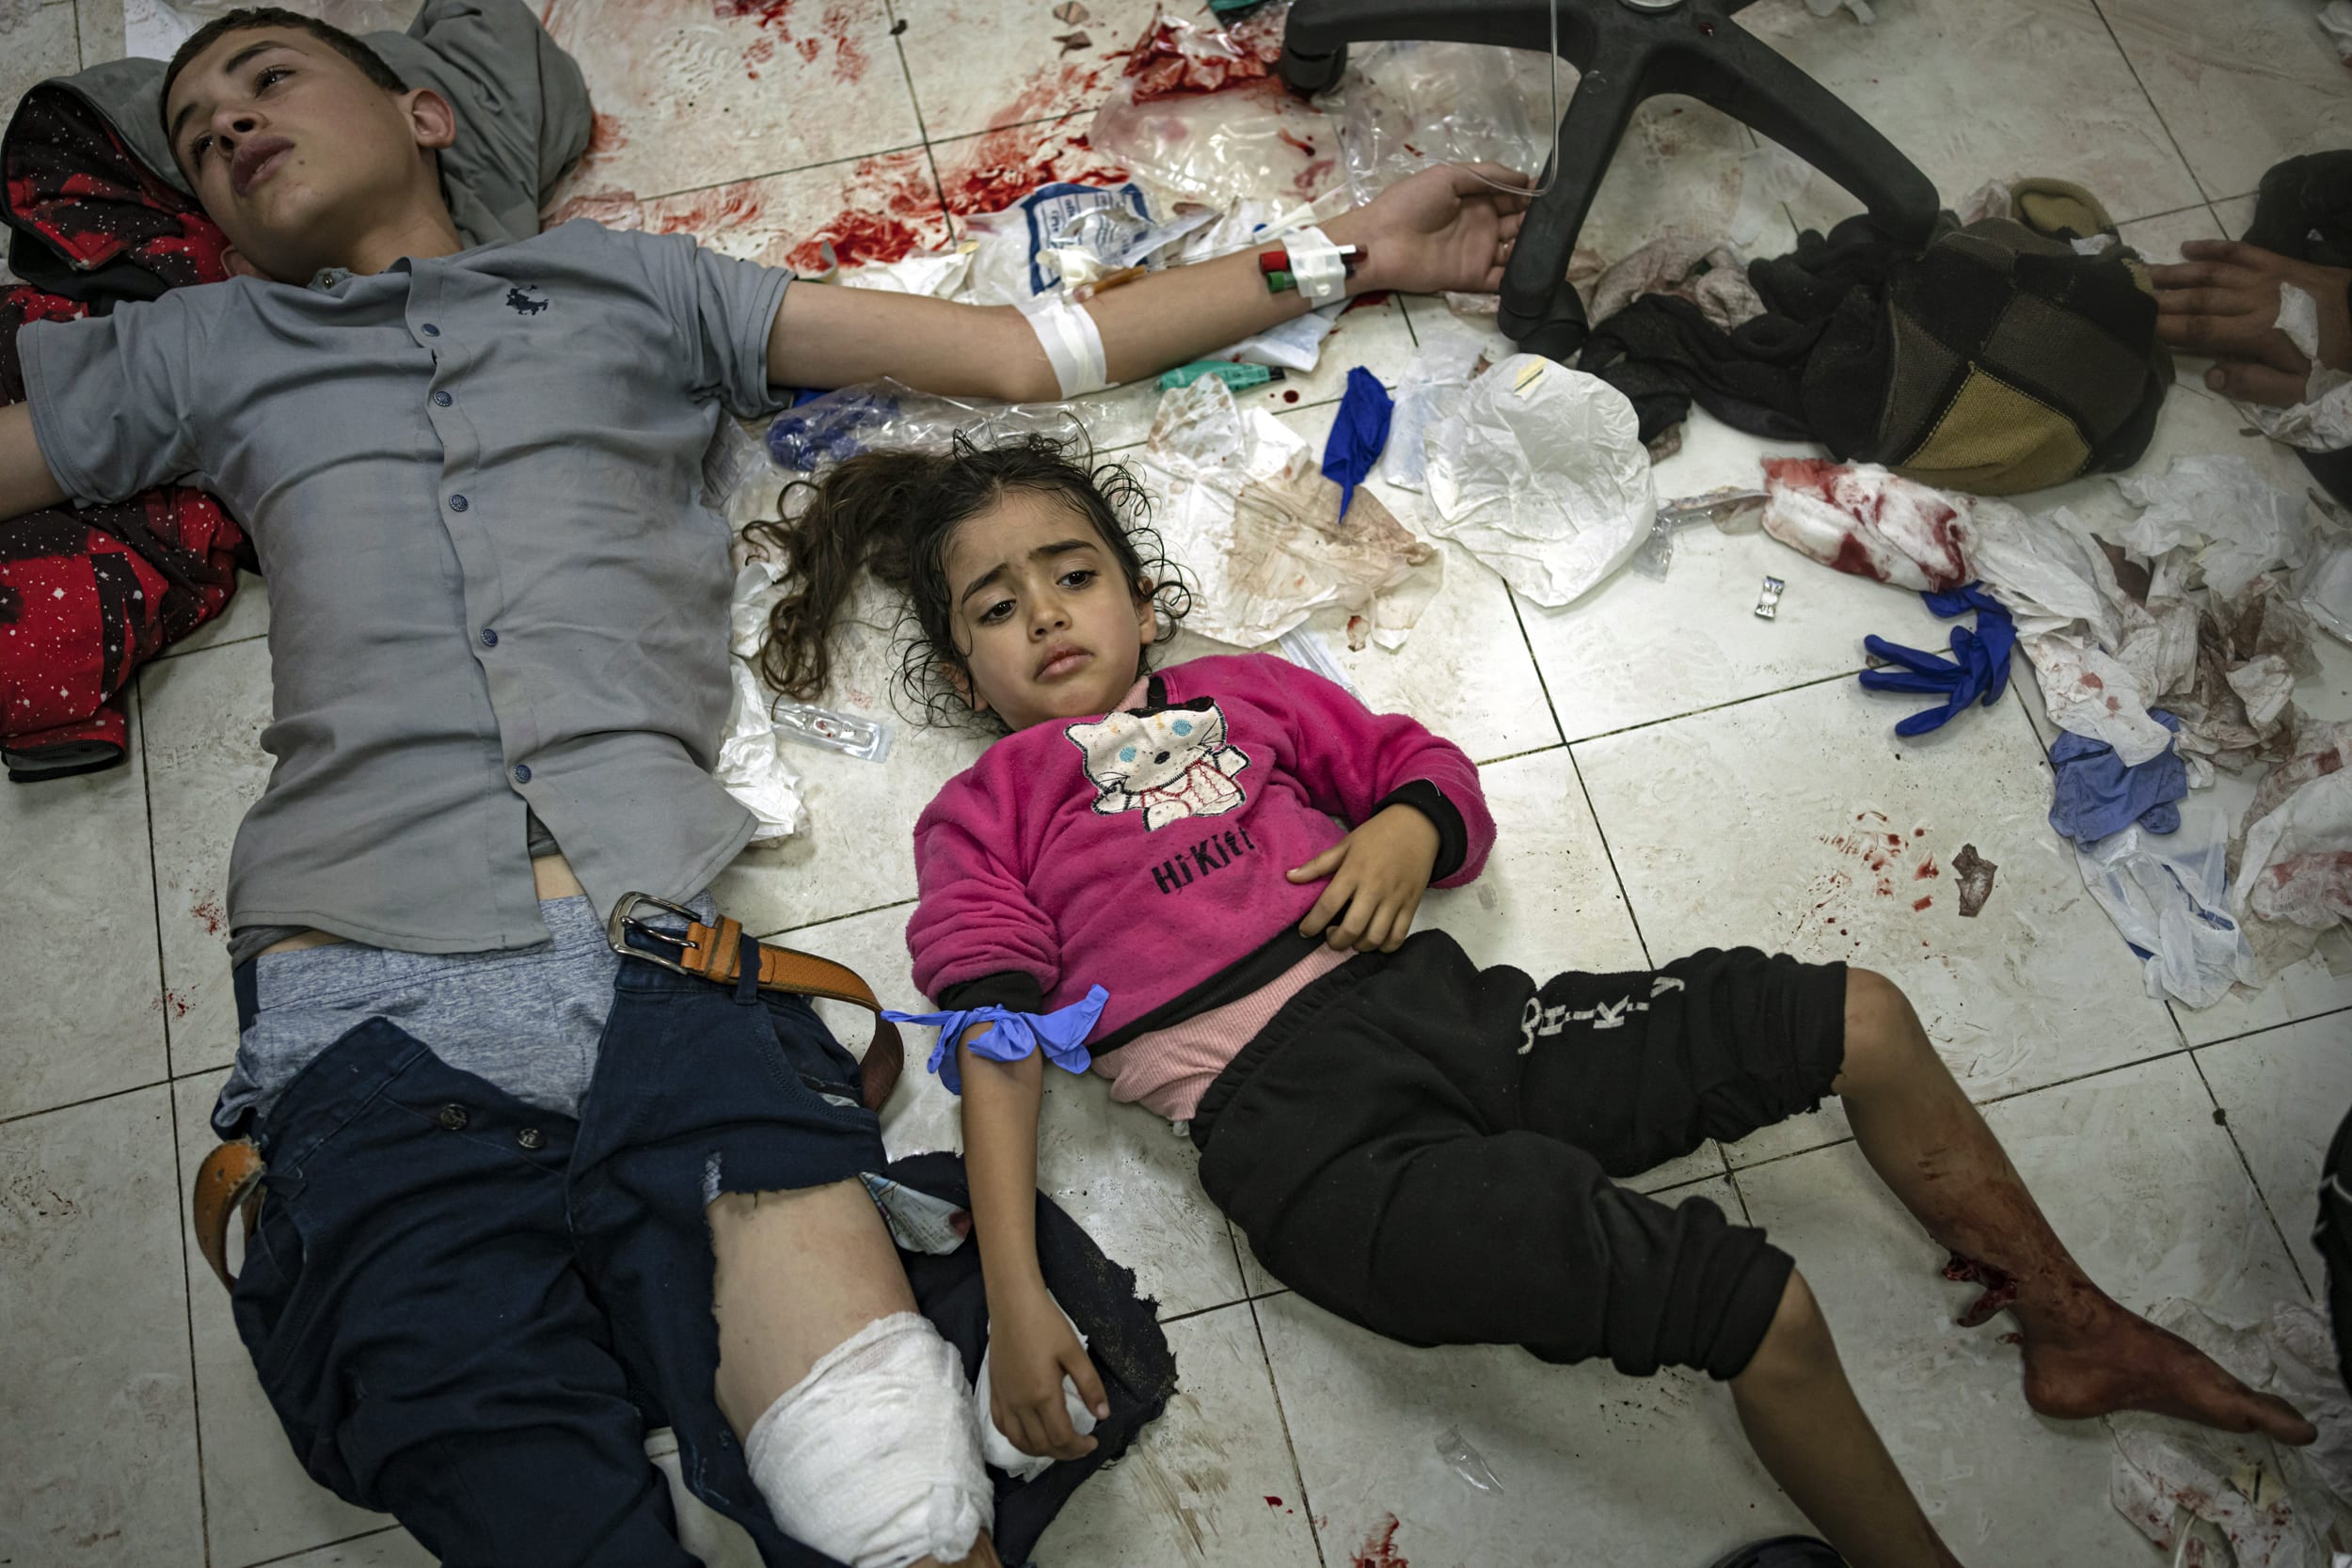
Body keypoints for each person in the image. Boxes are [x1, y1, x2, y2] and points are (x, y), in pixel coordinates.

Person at [0, 7, 1534, 1565]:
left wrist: (1350, 251)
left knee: (902, 1506)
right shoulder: (200, 347)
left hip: (655, 961)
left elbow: (1018, 355)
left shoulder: (626, 283)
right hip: (363, 996)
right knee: (532, 1500)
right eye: (195, 133)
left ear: (425, 116)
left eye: (268, 81)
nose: (231, 127)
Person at [755, 436, 2321, 1568]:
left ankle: (2075, 1324)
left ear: (1142, 603)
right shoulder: (992, 810)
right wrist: (1016, 1294)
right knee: (1754, 1304)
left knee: (1864, 1016)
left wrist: (1407, 825)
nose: (1045, 617)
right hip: (1313, 1151)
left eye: (1073, 575)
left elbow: (1428, 771)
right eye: (995, 608)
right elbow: (998, 1050)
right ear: (969, 677)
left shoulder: (1246, 697)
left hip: (1468, 1022)